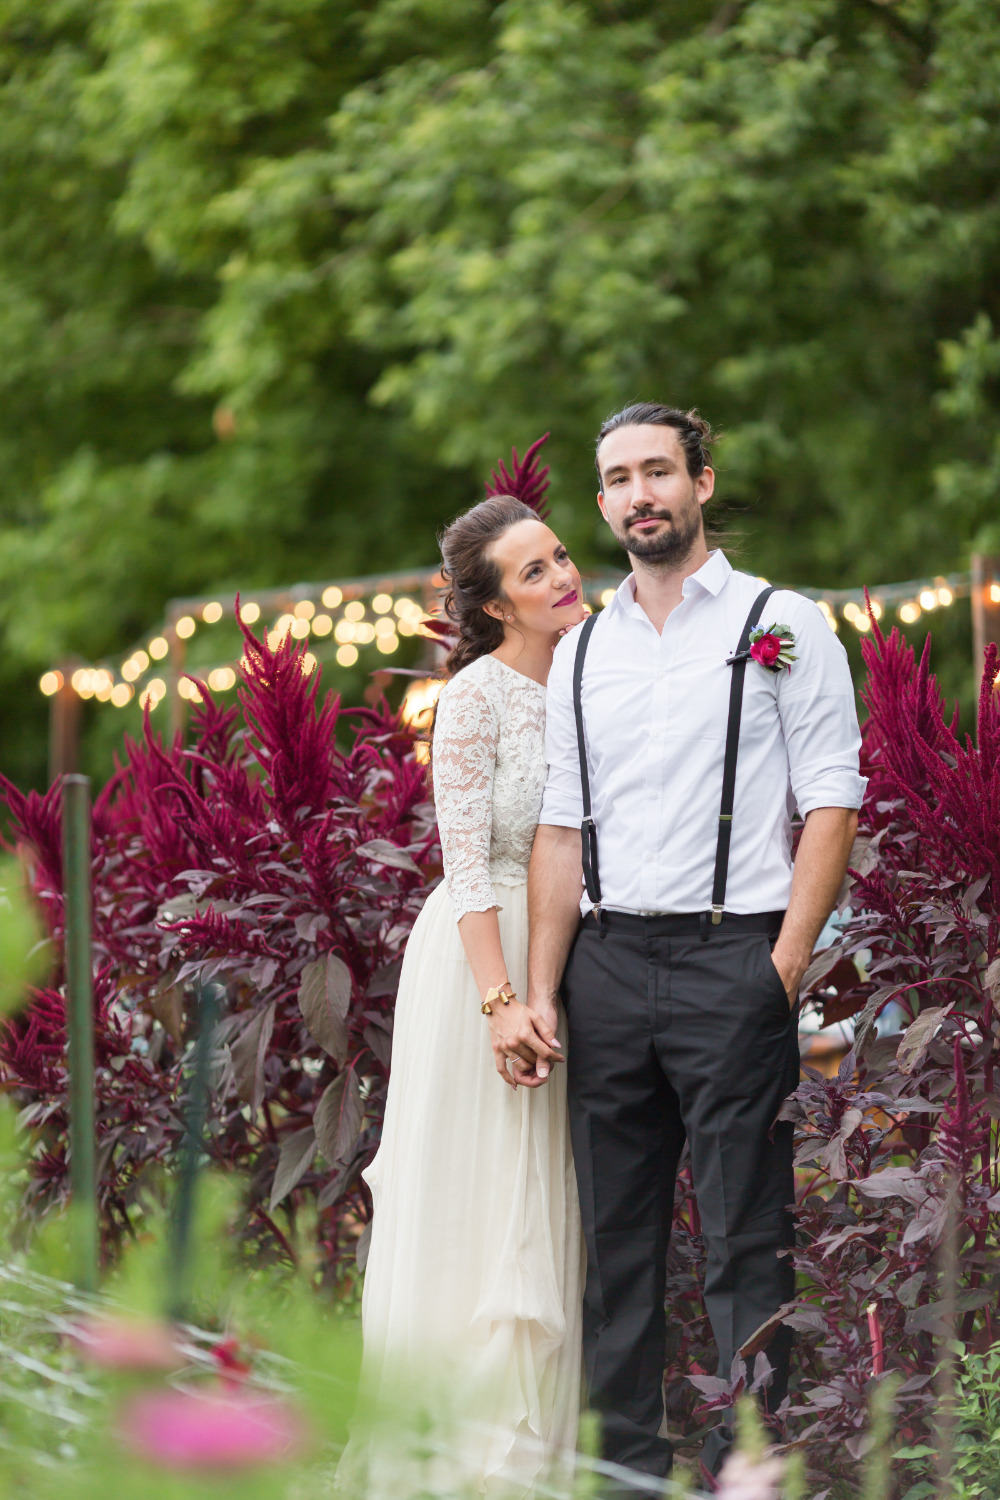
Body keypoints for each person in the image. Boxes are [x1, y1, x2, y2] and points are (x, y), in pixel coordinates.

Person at [524, 402, 866, 1482]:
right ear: (602, 504)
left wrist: (781, 961)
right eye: (619, 479)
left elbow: (831, 799)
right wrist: (541, 986)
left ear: (702, 482)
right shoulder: (578, 651)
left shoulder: (784, 622)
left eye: (659, 471)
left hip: (737, 958)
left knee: (745, 1240)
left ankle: (747, 1466)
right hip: (609, 964)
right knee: (614, 1249)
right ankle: (618, 1470)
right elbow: (561, 825)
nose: (640, 495)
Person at [341, 492, 586, 1498]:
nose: (564, 576)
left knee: (541, 1204)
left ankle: (531, 1464)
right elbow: (469, 865)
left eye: (560, 555)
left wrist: (550, 989)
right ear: (491, 607)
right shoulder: (475, 699)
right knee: (475, 1207)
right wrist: (503, 1004)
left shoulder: (592, 678)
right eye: (534, 572)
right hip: (477, 968)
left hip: (565, 958)